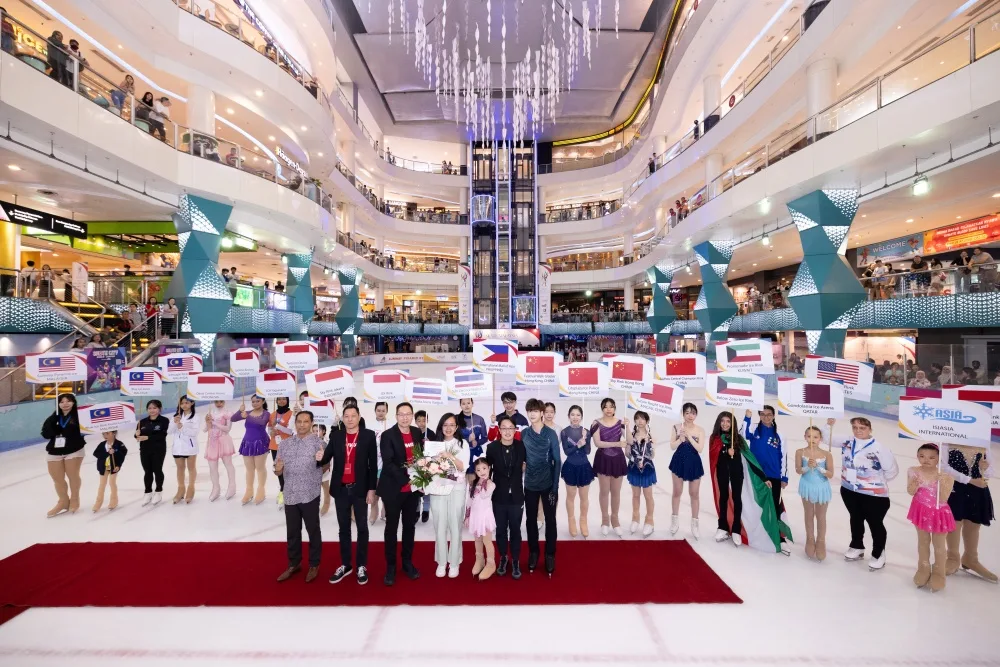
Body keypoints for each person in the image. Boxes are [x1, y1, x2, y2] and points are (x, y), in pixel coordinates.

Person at [317, 403, 378, 586]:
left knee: (362, 528)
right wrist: (320, 456)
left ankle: (361, 565)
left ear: (359, 417)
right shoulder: (336, 436)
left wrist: (372, 489)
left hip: (360, 489)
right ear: (342, 419)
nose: (350, 419)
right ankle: (346, 564)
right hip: (341, 489)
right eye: (346, 416)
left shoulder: (368, 436)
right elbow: (326, 458)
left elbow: (373, 465)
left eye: (353, 416)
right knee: (343, 528)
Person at [839, 416, 898, 571]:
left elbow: (892, 470)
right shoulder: (847, 441)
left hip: (873, 495)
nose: (858, 431)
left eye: (862, 428)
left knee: (875, 523)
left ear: (870, 429)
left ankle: (878, 553)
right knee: (855, 518)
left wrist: (871, 482)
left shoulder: (879, 448)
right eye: (855, 427)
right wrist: (828, 424)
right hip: (849, 490)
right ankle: (857, 546)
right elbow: (826, 437)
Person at [273, 410, 326, 583]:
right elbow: (277, 469)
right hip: (290, 494)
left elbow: (326, 467)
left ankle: (314, 564)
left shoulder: (319, 444)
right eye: (299, 421)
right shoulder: (285, 444)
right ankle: (294, 564)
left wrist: (322, 460)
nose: (302, 424)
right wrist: (278, 469)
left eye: (306, 421)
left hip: (310, 494)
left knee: (313, 530)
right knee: (293, 531)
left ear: (312, 423)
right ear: (295, 423)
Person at [377, 402, 424, 586]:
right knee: (391, 528)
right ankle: (390, 566)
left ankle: (407, 562)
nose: (405, 417)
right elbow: (388, 463)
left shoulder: (417, 432)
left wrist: (422, 478)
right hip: (394, 489)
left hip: (412, 491)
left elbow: (420, 458)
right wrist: (407, 479)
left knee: (409, 527)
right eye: (401, 414)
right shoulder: (388, 435)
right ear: (396, 416)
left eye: (408, 414)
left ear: (412, 416)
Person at [423, 413, 470, 578]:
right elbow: (427, 467)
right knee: (439, 525)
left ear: (456, 427)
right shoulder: (433, 444)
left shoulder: (462, 444)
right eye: (445, 425)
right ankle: (442, 562)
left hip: (456, 489)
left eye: (452, 425)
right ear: (440, 426)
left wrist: (449, 456)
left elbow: (463, 467)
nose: (448, 428)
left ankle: (455, 562)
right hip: (438, 489)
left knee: (455, 525)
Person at [906, 444, 956, 592]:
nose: (926, 460)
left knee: (939, 545)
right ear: (917, 456)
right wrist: (914, 485)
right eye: (922, 456)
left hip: (939, 513)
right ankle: (923, 568)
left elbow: (944, 498)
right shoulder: (913, 471)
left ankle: (939, 573)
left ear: (938, 459)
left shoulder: (946, 476)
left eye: (932, 457)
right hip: (920, 510)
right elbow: (910, 491)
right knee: (923, 542)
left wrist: (943, 483)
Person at [943, 444, 995, 583]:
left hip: (978, 489)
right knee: (954, 523)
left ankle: (971, 558)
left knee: (974, 524)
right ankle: (952, 558)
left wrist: (984, 468)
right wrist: (969, 480)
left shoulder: (982, 442)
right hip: (955, 488)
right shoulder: (949, 440)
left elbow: (991, 471)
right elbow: (943, 467)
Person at [522, 398, 561, 575]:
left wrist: (555, 488)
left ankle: (550, 554)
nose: (532, 414)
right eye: (530, 410)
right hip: (530, 483)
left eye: (535, 411)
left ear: (542, 413)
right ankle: (533, 552)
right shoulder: (524, 433)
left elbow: (557, 461)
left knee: (550, 520)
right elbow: (521, 457)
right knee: (530, 520)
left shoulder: (550, 434)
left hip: (548, 483)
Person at [486, 415, 527, 579]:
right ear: (499, 430)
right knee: (501, 529)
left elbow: (527, 463)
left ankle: (515, 560)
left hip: (517, 495)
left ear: (515, 430)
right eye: (504, 428)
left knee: (516, 530)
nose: (507, 431)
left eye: (511, 428)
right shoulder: (492, 448)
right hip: (499, 496)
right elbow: (487, 471)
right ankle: (503, 557)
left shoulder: (521, 446)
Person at [743, 406, 790, 549]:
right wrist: (747, 417)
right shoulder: (753, 429)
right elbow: (742, 434)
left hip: (774, 475)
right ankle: (759, 532)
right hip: (757, 474)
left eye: (769, 414)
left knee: (774, 505)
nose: (766, 417)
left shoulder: (780, 434)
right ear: (759, 415)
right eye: (762, 414)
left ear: (774, 416)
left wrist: (784, 477)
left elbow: (784, 456)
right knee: (757, 504)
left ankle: (778, 536)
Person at [41, 393, 86, 517]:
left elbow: (89, 428)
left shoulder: (80, 415)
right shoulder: (53, 418)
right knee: (57, 478)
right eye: (62, 402)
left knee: (73, 475)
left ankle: (75, 499)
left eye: (68, 401)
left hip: (74, 449)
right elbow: (45, 434)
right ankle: (63, 501)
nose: (65, 404)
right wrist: (53, 428)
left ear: (73, 402)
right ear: (58, 404)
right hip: (55, 450)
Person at [795, 422, 835, 561]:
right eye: (809, 436)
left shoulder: (826, 454)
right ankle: (810, 539)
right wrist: (807, 467)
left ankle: (821, 541)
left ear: (820, 439)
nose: (812, 439)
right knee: (809, 514)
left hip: (821, 488)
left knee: (821, 516)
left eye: (816, 437)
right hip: (807, 486)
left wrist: (818, 467)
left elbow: (830, 474)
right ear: (805, 437)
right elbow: (798, 470)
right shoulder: (800, 452)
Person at [591, 398, 628, 536]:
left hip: (617, 460)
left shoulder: (620, 423)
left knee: (616, 492)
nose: (608, 409)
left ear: (615, 408)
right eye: (606, 406)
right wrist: (617, 444)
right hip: (603, 459)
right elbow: (598, 443)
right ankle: (605, 520)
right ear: (602, 408)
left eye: (611, 406)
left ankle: (615, 520)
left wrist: (628, 427)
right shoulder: (596, 423)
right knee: (604, 491)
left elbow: (629, 440)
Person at [668, 402, 706, 539]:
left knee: (694, 493)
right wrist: (680, 439)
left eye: (693, 413)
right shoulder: (676, 427)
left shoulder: (700, 430)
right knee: (677, 492)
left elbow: (700, 449)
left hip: (694, 463)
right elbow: (672, 446)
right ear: (683, 414)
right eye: (687, 413)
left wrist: (689, 437)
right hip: (679, 462)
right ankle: (674, 520)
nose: (690, 416)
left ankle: (695, 524)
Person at [710, 411, 747, 547]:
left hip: (737, 473)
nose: (725, 424)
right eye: (722, 421)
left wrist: (762, 476)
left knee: (737, 499)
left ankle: (736, 529)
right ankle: (723, 527)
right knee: (723, 498)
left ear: (732, 423)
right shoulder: (715, 438)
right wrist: (726, 451)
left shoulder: (738, 438)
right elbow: (714, 455)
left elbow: (749, 457)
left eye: (728, 421)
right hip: (722, 472)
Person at [560, 405, 595, 538]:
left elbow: (588, 451)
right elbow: (567, 452)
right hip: (570, 466)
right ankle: (571, 520)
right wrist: (577, 445)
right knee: (571, 496)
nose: (575, 417)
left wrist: (585, 440)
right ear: (569, 416)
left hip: (584, 467)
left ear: (581, 417)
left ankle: (583, 521)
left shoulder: (586, 432)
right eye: (572, 414)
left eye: (578, 415)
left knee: (584, 497)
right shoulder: (564, 432)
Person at [231, 395, 271, 505]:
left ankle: (261, 490)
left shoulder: (266, 414)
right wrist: (240, 411)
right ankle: (249, 491)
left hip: (260, 443)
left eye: (258, 401)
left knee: (260, 468)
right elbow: (233, 419)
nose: (255, 403)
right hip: (247, 443)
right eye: (253, 402)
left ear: (263, 401)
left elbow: (262, 422)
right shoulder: (247, 412)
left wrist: (247, 416)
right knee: (249, 469)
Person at [466, 457, 498, 581]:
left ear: (489, 468)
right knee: (477, 540)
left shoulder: (491, 484)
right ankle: (479, 560)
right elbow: (469, 501)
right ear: (475, 471)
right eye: (478, 470)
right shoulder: (473, 483)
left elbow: (484, 495)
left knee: (487, 541)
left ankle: (491, 564)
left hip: (485, 516)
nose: (482, 472)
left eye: (484, 468)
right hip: (475, 516)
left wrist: (485, 482)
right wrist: (467, 516)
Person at [626, 411, 656, 536]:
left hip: (647, 468)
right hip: (634, 468)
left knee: (648, 496)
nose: (640, 421)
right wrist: (636, 460)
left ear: (647, 421)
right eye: (637, 418)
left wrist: (650, 445)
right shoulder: (631, 435)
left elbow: (652, 455)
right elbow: (627, 453)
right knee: (635, 495)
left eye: (643, 418)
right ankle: (635, 518)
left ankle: (649, 520)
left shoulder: (650, 436)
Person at [135, 399, 169, 506]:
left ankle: (158, 491)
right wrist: (136, 434)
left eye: (154, 408)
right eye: (149, 408)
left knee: (157, 470)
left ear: (160, 409)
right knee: (147, 471)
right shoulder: (142, 422)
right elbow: (137, 436)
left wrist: (148, 437)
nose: (152, 410)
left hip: (158, 449)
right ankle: (148, 492)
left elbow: (162, 435)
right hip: (145, 450)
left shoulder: (164, 420)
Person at [204, 400, 236, 502]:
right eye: (216, 402)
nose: (219, 404)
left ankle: (232, 486)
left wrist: (214, 423)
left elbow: (227, 429)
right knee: (212, 466)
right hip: (212, 442)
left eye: (221, 401)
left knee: (228, 464)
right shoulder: (210, 413)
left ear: (224, 402)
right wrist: (207, 422)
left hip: (224, 440)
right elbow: (205, 429)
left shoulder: (228, 413)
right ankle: (216, 488)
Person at [169, 396, 199, 504]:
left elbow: (194, 433)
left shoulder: (195, 417)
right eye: (182, 403)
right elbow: (169, 431)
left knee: (191, 468)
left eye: (186, 403)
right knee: (180, 468)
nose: (184, 405)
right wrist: (175, 423)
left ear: (192, 403)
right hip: (178, 447)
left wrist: (182, 427)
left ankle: (191, 488)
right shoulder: (175, 416)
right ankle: (181, 489)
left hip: (190, 447)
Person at [91, 430, 127, 512]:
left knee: (112, 483)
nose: (105, 435)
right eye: (103, 434)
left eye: (107, 433)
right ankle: (98, 503)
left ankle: (114, 501)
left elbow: (123, 454)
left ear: (114, 433)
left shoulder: (119, 444)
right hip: (103, 468)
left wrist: (118, 465)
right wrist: (107, 452)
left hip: (114, 467)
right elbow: (96, 453)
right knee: (102, 485)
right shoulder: (102, 444)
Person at [269, 397, 294, 509]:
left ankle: (287, 491)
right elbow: (269, 429)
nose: (281, 401)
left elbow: (290, 431)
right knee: (278, 469)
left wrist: (278, 426)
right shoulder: (272, 414)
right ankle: (282, 490)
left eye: (284, 399)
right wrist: (271, 432)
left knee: (288, 470)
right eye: (279, 399)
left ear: (288, 400)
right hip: (275, 445)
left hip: (288, 446)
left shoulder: (291, 414)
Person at [368, 400, 390, 525]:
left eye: (383, 410)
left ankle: (385, 511)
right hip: (374, 463)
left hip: (386, 464)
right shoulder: (369, 426)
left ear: (387, 411)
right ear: (375, 411)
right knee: (374, 490)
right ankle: (373, 511)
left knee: (386, 490)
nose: (381, 413)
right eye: (378, 410)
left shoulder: (391, 425)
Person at [458, 397, 488, 484]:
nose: (466, 406)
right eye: (463, 403)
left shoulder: (479, 419)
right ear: (460, 405)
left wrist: (477, 442)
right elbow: (454, 439)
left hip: (476, 453)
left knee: (475, 482)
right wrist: (468, 440)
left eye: (468, 403)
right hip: (461, 452)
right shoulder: (456, 419)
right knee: (461, 481)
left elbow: (485, 437)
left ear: (472, 404)